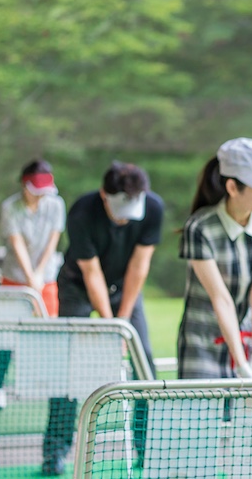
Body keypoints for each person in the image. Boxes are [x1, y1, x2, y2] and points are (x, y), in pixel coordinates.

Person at [45, 161, 163, 476]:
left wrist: (121, 325)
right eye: (119, 207)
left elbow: (140, 267)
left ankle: (146, 447)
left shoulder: (152, 208)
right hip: (78, 287)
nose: (125, 216)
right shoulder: (83, 212)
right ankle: (54, 451)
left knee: (143, 363)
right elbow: (91, 272)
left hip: (125, 288)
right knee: (68, 366)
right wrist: (112, 328)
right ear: (103, 194)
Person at [178, 137, 252, 380]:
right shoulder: (199, 228)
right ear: (232, 188)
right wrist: (241, 364)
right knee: (199, 417)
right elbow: (221, 299)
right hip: (203, 341)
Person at [0, 160, 66, 410]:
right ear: (25, 185)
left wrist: (38, 275)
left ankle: (44, 384)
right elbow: (16, 243)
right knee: (7, 334)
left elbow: (53, 240)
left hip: (46, 278)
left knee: (49, 330)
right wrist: (28, 277)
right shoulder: (10, 207)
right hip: (14, 277)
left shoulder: (56, 205)